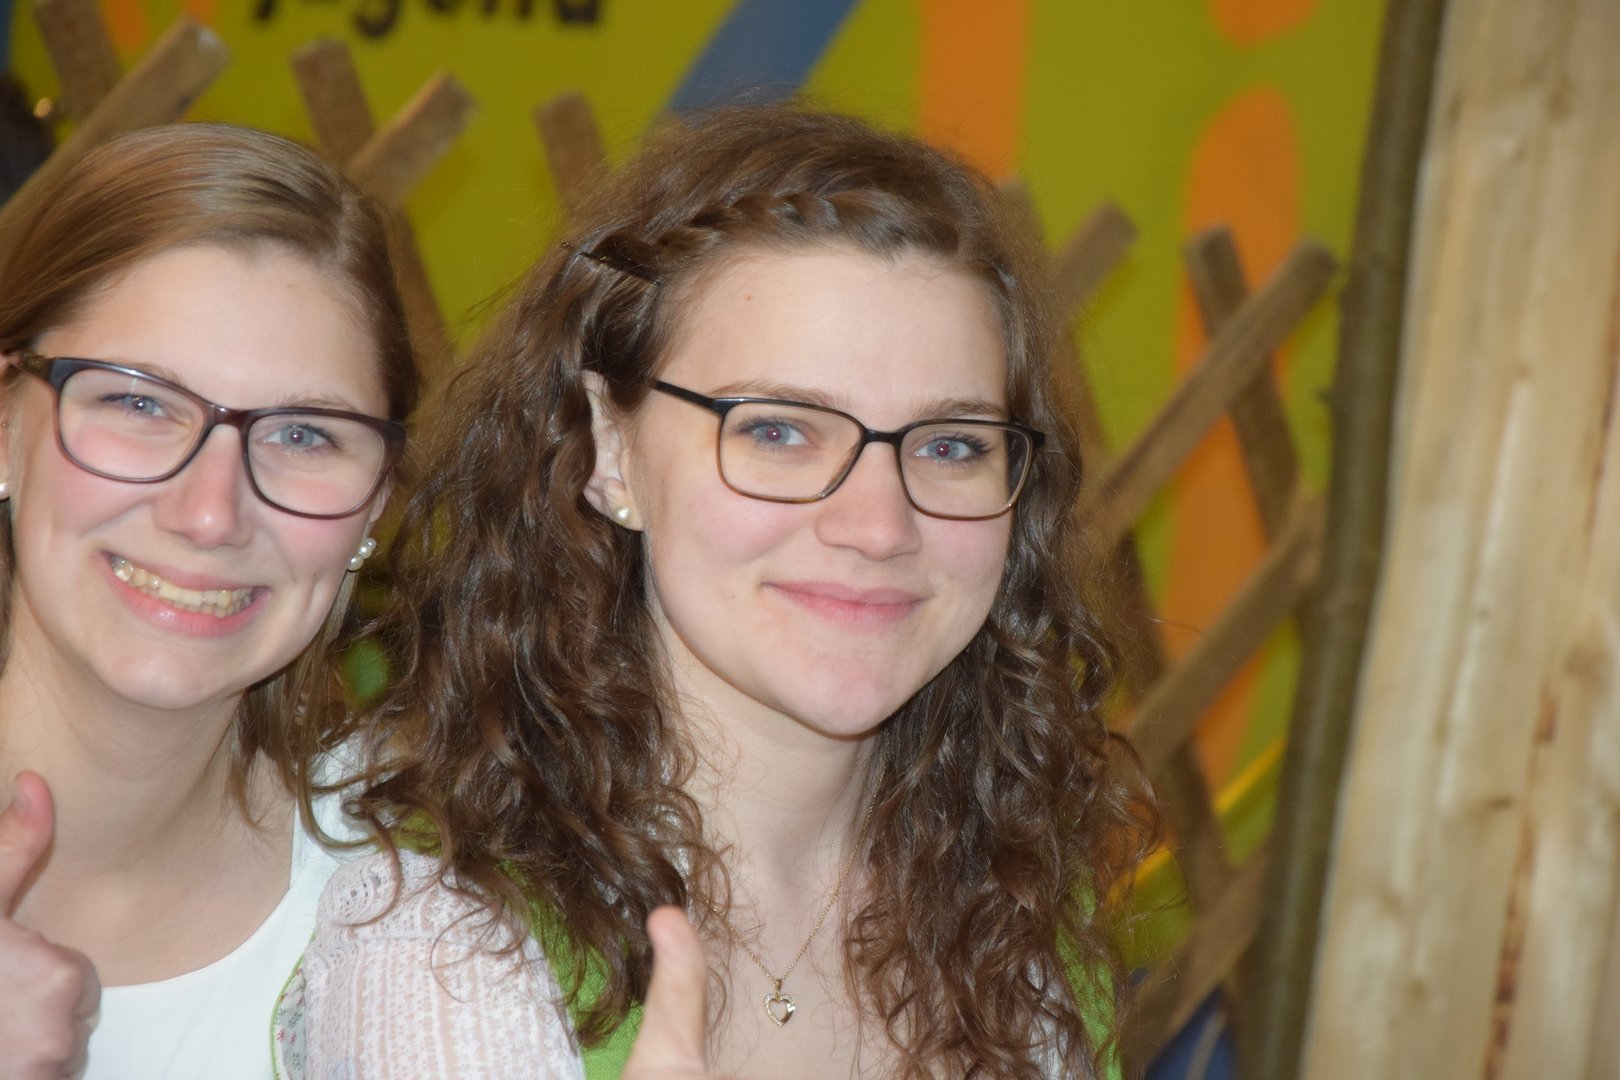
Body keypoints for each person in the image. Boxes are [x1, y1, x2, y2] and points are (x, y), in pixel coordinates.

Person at [287, 105, 1156, 1079]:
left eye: (951, 446)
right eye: (779, 430)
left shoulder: (1018, 923)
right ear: (610, 451)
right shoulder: (442, 944)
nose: (880, 526)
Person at [0, 122, 418, 1079]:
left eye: (304, 435)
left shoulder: (431, 912)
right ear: (5, 425)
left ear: (375, 507)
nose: (209, 513)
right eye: (139, 402)